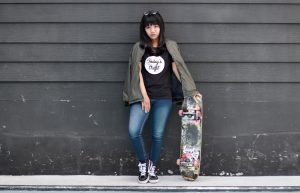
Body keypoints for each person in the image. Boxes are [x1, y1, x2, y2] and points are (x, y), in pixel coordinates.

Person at [123, 10, 202, 183]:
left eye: (156, 26)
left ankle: (152, 166)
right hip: (142, 96)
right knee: (134, 131)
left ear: (161, 27)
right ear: (144, 29)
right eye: (149, 26)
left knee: (157, 135)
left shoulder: (170, 46)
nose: (152, 30)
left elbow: (177, 68)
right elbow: (137, 74)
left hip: (164, 97)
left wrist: (190, 90)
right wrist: (144, 97)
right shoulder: (139, 47)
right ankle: (143, 163)